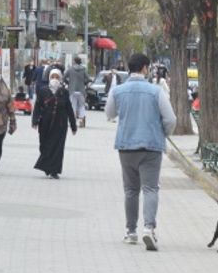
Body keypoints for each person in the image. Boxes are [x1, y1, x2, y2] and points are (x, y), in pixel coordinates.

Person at [106, 53, 176, 251]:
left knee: (130, 190)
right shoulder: (156, 92)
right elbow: (171, 119)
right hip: (151, 147)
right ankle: (149, 228)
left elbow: (109, 114)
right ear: (145, 68)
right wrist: (164, 133)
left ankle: (130, 232)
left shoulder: (118, 91)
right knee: (151, 189)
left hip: (126, 146)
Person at [32, 68, 77, 179]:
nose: (55, 79)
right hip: (45, 123)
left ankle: (54, 170)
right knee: (44, 146)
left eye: (57, 77)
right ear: (49, 78)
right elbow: (37, 106)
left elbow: (69, 109)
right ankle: (46, 167)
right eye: (53, 77)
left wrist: (73, 125)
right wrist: (35, 120)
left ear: (60, 78)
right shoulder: (43, 90)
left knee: (57, 148)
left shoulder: (64, 92)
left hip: (60, 124)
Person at [64, 56, 92, 128]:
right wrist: (84, 83)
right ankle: (82, 121)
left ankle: (73, 122)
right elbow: (88, 79)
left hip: (72, 90)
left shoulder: (70, 69)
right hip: (81, 90)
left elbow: (64, 77)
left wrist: (68, 83)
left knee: (73, 106)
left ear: (74, 61)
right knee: (81, 106)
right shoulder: (83, 69)